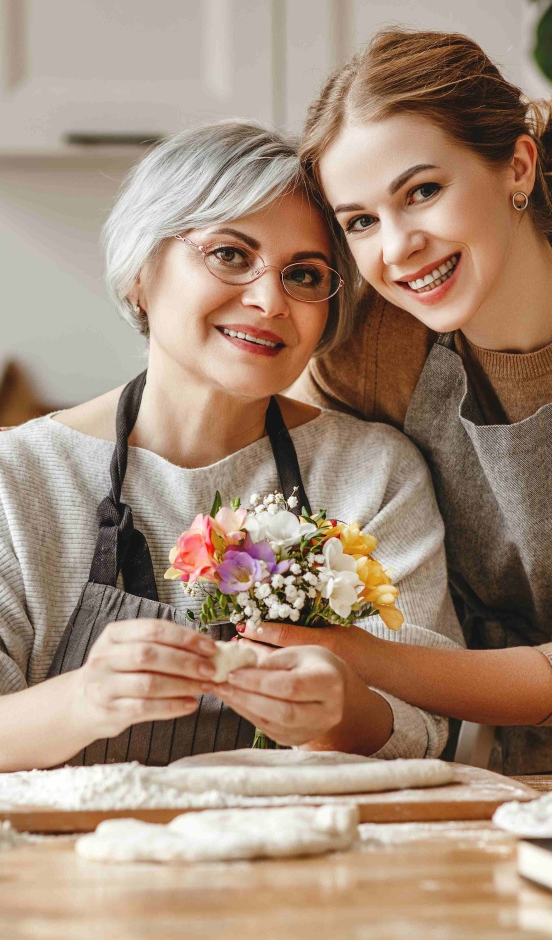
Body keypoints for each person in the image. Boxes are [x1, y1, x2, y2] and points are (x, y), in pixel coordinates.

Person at [0, 122, 464, 790]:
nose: (271, 301)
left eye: (303, 275)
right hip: (64, 878)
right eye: (229, 255)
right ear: (139, 274)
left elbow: (428, 725)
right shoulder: (11, 480)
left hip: (304, 872)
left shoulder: (373, 474)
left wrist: (345, 715)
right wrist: (83, 701)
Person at [238, 29, 552, 775]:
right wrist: (47, 453)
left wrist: (356, 657)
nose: (397, 246)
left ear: (516, 164)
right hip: (506, 777)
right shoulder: (382, 347)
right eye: (359, 221)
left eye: (422, 192)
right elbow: (229, 417)